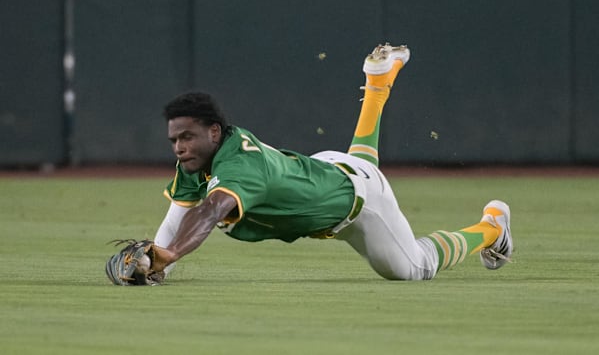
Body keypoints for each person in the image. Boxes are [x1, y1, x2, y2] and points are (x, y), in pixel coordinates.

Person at [149, 43, 513, 282]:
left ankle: (492, 229)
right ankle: (376, 85)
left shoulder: (239, 168)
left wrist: (171, 253)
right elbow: (177, 217)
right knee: (361, 165)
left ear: (214, 132)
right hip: (327, 171)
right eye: (175, 141)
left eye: (187, 138)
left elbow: (210, 211)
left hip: (360, 204)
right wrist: (156, 265)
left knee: (416, 267)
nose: (179, 148)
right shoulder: (201, 159)